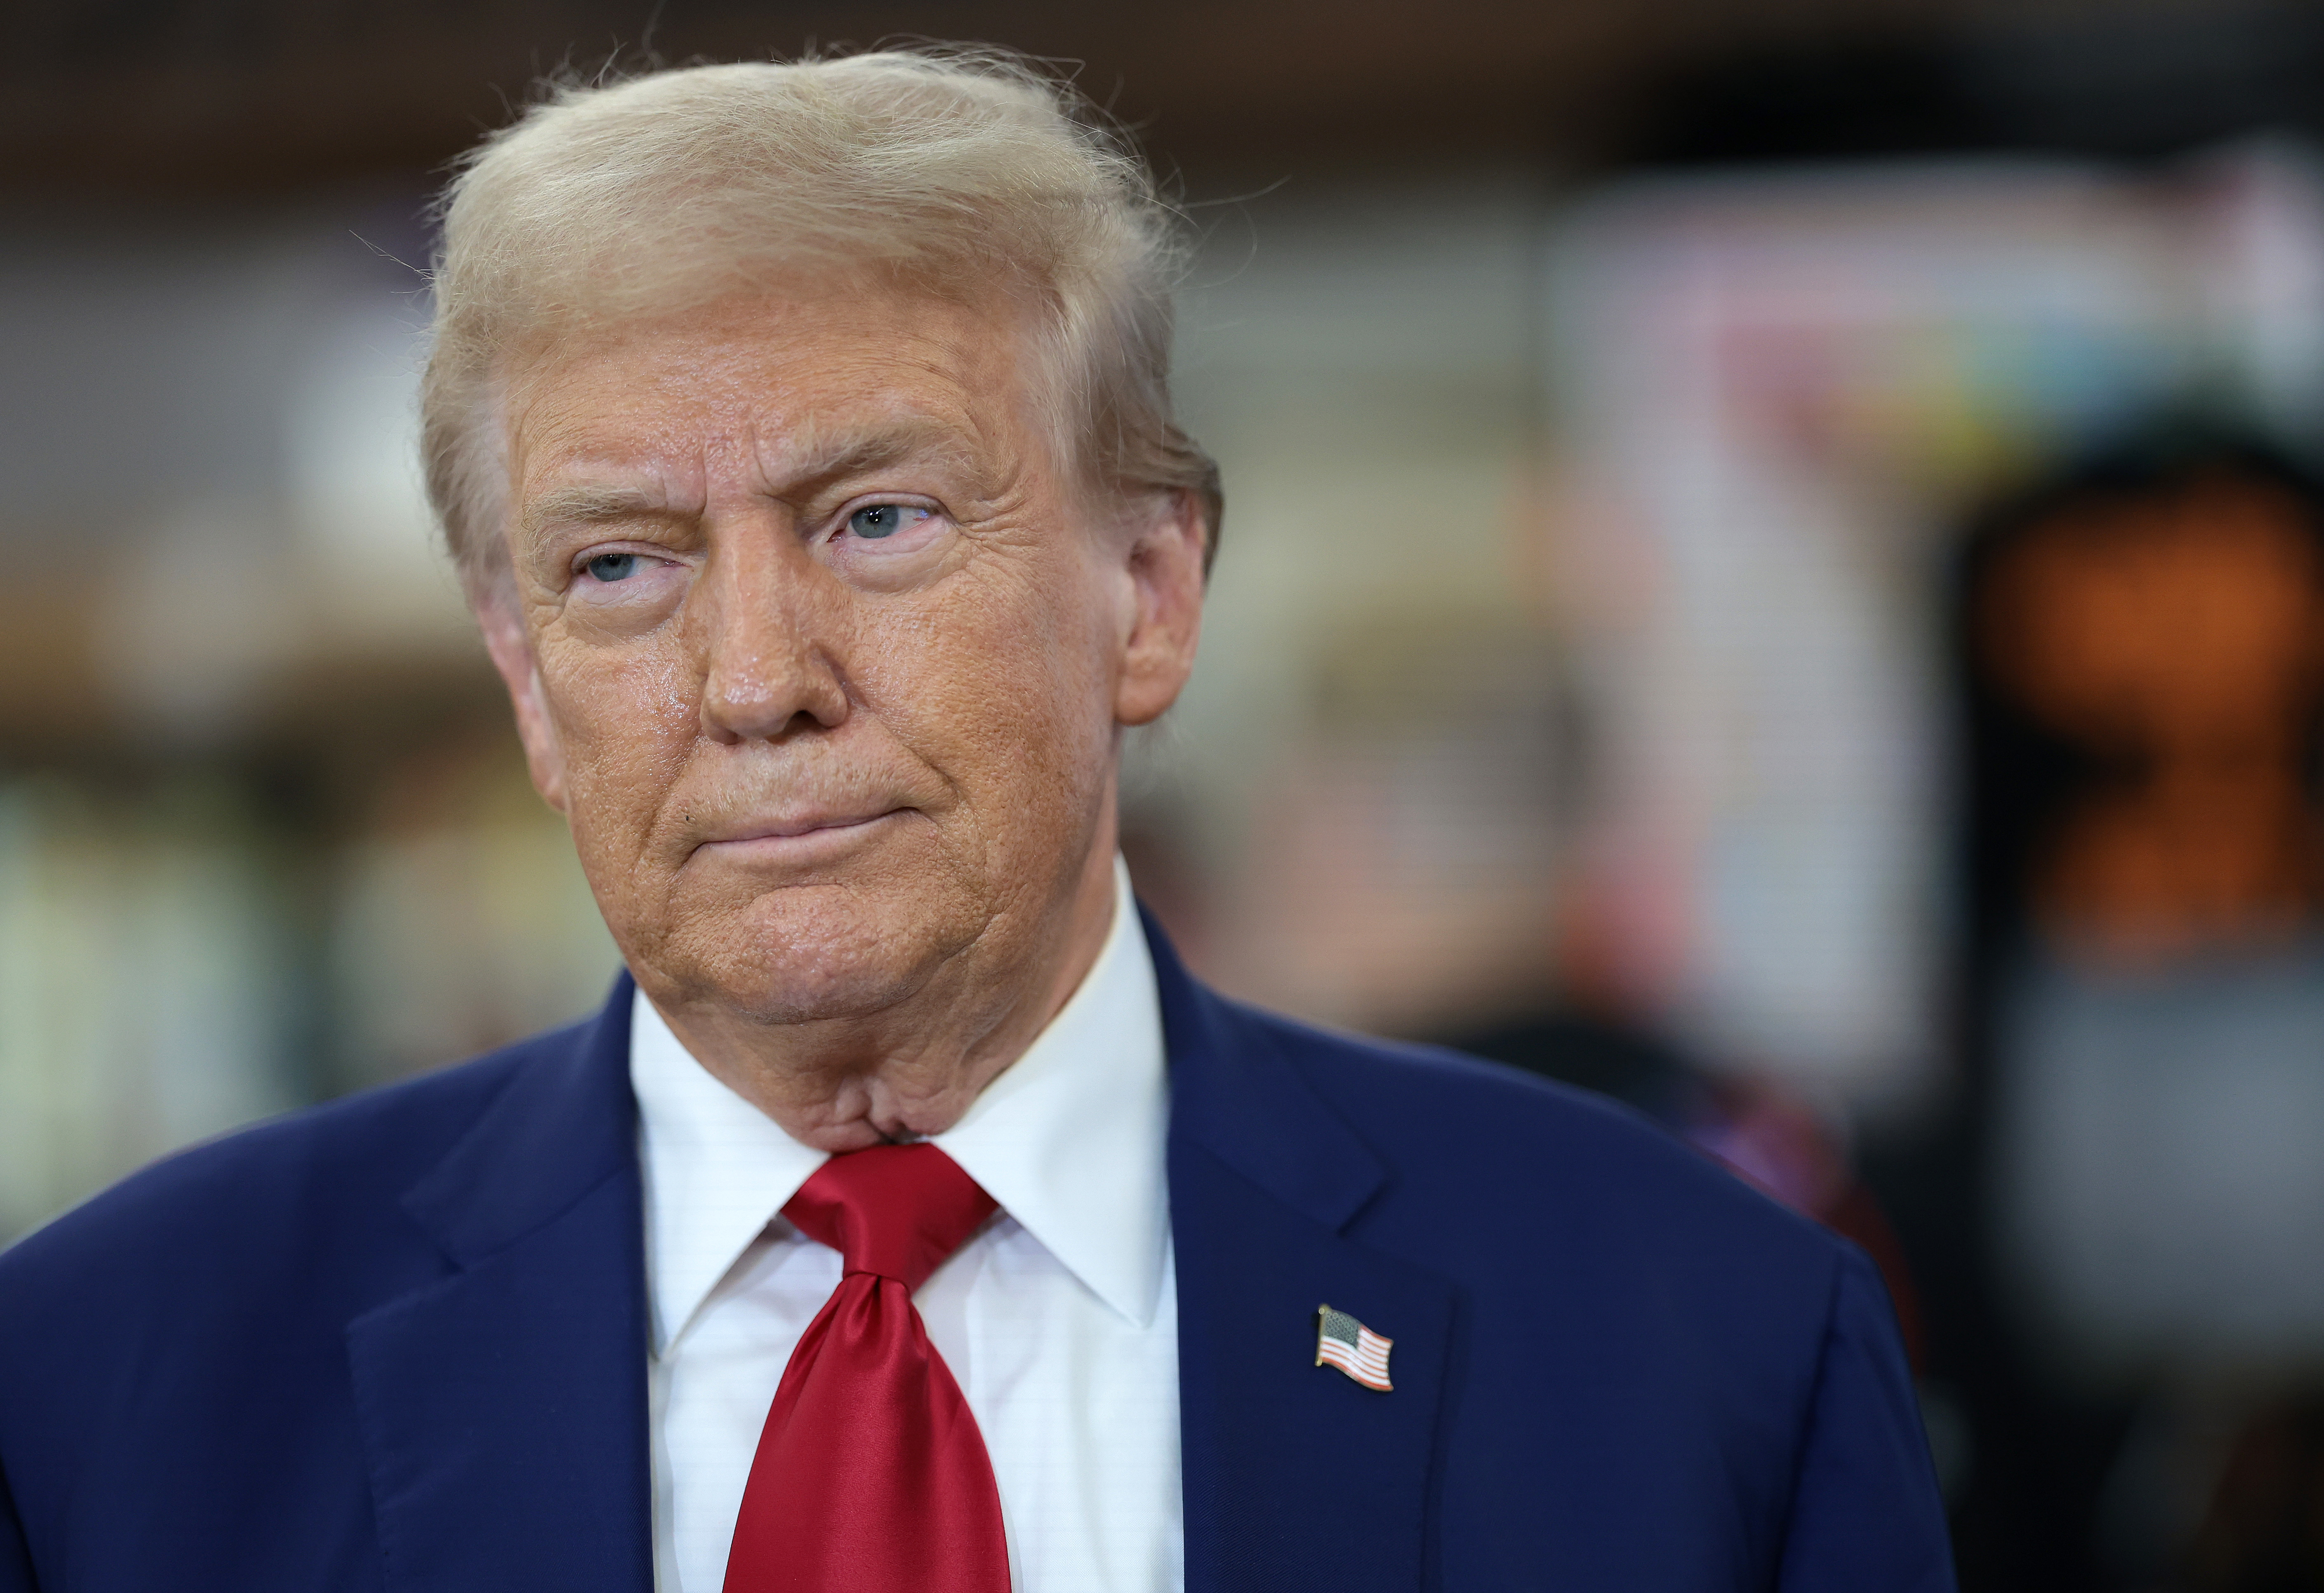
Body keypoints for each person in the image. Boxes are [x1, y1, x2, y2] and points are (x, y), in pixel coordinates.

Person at [0, 48, 1951, 1593]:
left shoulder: (1699, 1343)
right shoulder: (106, 1390)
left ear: (1151, 591)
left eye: (879, 520)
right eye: (620, 567)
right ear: (522, 676)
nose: (755, 677)